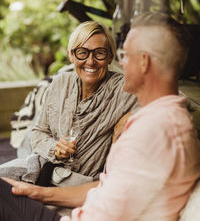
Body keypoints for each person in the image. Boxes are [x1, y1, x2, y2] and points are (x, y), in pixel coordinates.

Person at [1, 11, 200, 221]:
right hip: (56, 181)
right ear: (71, 54)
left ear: (144, 62)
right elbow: (108, 190)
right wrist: (38, 194)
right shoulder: (160, 120)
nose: (120, 64)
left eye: (124, 55)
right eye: (82, 53)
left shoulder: (154, 130)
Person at [0, 21, 137, 187]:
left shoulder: (124, 88)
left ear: (110, 56)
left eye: (99, 53)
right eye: (82, 53)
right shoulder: (60, 83)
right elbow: (38, 133)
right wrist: (55, 148)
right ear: (71, 55)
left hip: (80, 184)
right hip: (43, 167)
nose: (90, 61)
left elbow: (163, 99)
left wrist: (130, 117)